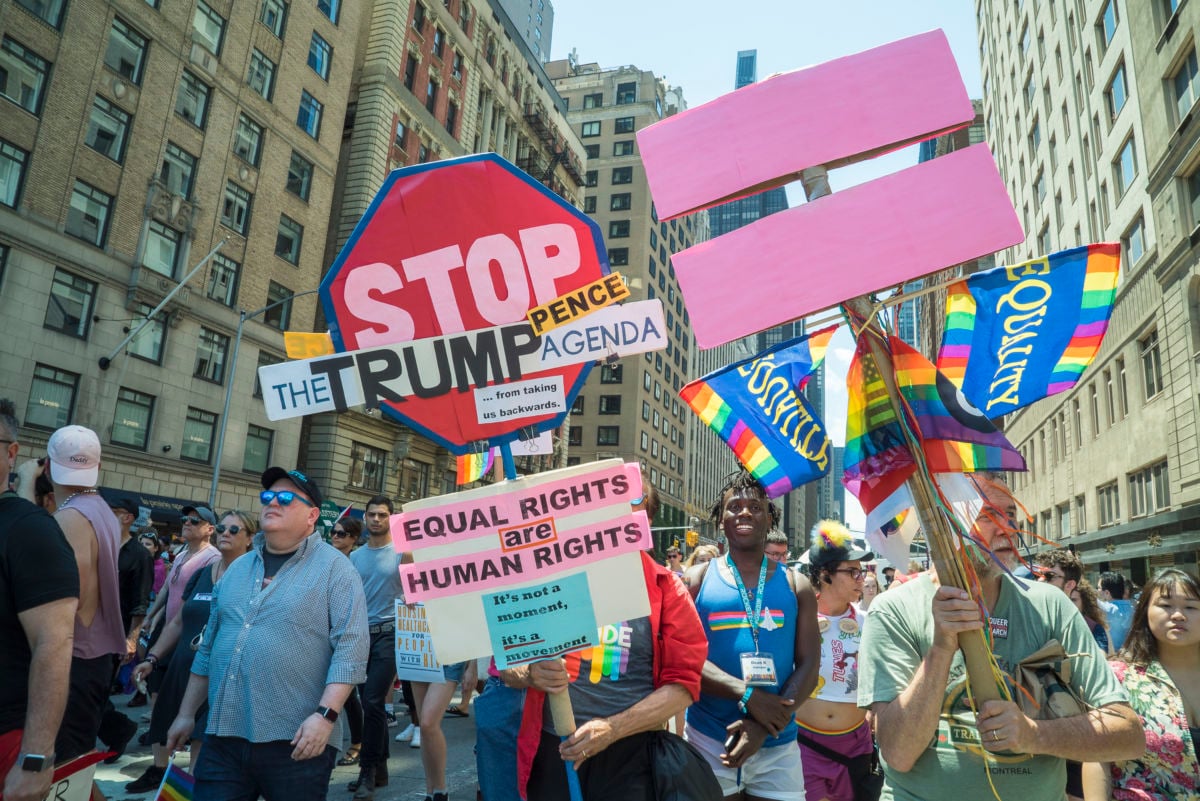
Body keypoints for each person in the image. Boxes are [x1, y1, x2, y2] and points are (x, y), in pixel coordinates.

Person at [857, 474, 1145, 801]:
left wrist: (1033, 735)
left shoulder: (1051, 606)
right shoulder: (893, 610)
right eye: (988, 516)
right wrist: (941, 648)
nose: (1008, 528)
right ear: (946, 522)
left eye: (1010, 515)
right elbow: (897, 754)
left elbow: (1128, 734)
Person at [165, 468, 369, 801]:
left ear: (312, 516)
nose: (273, 502)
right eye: (268, 497)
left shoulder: (337, 570)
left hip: (297, 742)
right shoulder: (237, 569)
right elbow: (208, 648)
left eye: (286, 498)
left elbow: (351, 649)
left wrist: (326, 715)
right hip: (223, 738)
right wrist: (187, 714)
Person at [504, 545, 709, 801]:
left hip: (631, 759)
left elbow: (683, 686)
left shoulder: (666, 586)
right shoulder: (548, 576)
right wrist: (529, 673)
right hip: (553, 753)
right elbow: (507, 666)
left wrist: (612, 729)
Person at [684, 471, 820, 801]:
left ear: (770, 518)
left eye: (755, 507)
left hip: (778, 742)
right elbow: (682, 658)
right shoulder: (695, 581)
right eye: (734, 506)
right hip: (709, 738)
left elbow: (810, 665)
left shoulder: (796, 586)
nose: (744, 512)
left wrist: (763, 725)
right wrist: (748, 696)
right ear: (720, 520)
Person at [126, 510, 257, 792]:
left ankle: (189, 790)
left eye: (235, 530)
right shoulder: (202, 573)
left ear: (250, 539)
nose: (225, 533)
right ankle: (163, 778)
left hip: (219, 674)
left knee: (201, 746)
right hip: (183, 665)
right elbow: (178, 621)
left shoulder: (254, 577)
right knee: (163, 724)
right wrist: (153, 657)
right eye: (222, 527)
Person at [0, 400, 79, 801]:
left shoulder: (29, 530)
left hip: (8, 741)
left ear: (11, 453)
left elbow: (54, 644)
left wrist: (34, 759)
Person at [46, 425, 127, 763]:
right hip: (95, 655)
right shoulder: (102, 510)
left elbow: (66, 594)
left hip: (73, 655)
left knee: (61, 768)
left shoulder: (70, 516)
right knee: (75, 764)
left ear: (49, 467)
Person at [1083, 568, 1200, 800]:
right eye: (1166, 605)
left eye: (1190, 607)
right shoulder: (1118, 677)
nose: (1178, 615)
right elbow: (1097, 757)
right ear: (1145, 611)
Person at [796, 521, 874, 801]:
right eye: (852, 571)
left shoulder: (869, 622)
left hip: (855, 747)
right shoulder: (796, 620)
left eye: (861, 571)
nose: (860, 579)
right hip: (805, 745)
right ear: (826, 574)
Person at [347, 496, 401, 801]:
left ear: (391, 518)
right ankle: (380, 768)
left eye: (382, 514)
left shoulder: (404, 553)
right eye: (371, 514)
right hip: (361, 636)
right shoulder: (356, 557)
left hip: (390, 635)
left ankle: (366, 772)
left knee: (372, 701)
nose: (376, 519)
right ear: (365, 518)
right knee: (371, 702)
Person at [330, 517, 366, 768]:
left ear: (353, 538)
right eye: (333, 532)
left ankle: (358, 742)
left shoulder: (356, 562)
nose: (335, 536)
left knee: (349, 694)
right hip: (324, 629)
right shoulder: (324, 559)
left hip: (349, 630)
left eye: (341, 534)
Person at [1099, 571, 1135, 652]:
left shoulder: (1104, 608)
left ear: (1107, 593)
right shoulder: (1133, 608)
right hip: (1131, 654)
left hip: (1112, 656)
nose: (1097, 590)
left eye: (1098, 588)